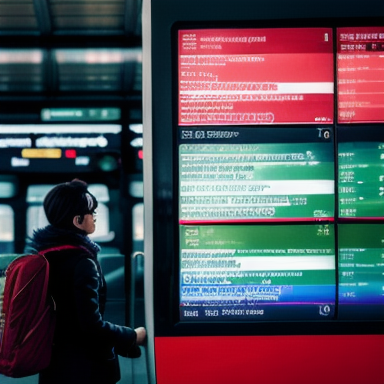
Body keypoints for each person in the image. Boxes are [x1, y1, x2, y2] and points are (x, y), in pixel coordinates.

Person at [26, 179, 146, 384]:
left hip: (55, 364)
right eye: (92, 212)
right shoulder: (82, 262)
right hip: (85, 369)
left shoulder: (45, 257)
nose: (95, 217)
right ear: (78, 220)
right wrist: (132, 336)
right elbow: (90, 325)